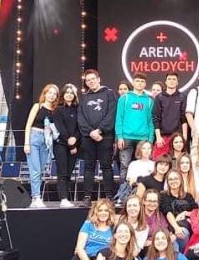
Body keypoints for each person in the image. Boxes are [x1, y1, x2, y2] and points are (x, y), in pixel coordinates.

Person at [78, 70, 118, 200]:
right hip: (88, 137)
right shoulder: (84, 97)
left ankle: (109, 196)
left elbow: (112, 114)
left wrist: (100, 130)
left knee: (106, 166)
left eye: (93, 79)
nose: (91, 81)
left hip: (105, 136)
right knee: (89, 167)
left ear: (98, 79)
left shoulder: (109, 93)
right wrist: (90, 132)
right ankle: (87, 196)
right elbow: (81, 117)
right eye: (88, 80)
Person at [116, 73, 154, 187]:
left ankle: (143, 192)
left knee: (144, 166)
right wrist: (119, 137)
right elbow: (119, 118)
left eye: (142, 81)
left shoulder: (149, 100)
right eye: (137, 81)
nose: (140, 83)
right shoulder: (125, 98)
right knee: (124, 167)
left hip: (143, 138)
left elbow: (151, 121)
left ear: (145, 84)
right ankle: (123, 194)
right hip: (126, 137)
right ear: (133, 83)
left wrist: (150, 140)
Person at [24, 83, 58, 208]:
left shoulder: (55, 110)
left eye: (54, 94)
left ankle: (37, 196)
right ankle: (36, 197)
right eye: (50, 93)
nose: (52, 95)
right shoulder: (37, 106)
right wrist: (26, 143)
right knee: (35, 169)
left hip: (47, 140)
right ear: (45, 94)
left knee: (41, 169)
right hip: (34, 137)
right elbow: (28, 125)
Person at [53, 84, 81, 207]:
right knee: (62, 172)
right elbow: (60, 128)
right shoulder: (58, 109)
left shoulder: (78, 109)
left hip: (75, 145)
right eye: (67, 92)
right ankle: (63, 198)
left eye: (71, 93)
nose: (69, 95)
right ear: (63, 94)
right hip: (61, 144)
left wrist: (75, 139)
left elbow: (80, 127)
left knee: (69, 172)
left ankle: (67, 198)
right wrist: (70, 143)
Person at [152, 73, 187, 158]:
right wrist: (158, 137)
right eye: (169, 79)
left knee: (178, 162)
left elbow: (184, 118)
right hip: (163, 137)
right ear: (166, 82)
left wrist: (184, 136)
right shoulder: (159, 97)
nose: (171, 81)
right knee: (160, 161)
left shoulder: (182, 97)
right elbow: (156, 118)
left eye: (174, 79)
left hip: (177, 137)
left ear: (177, 82)